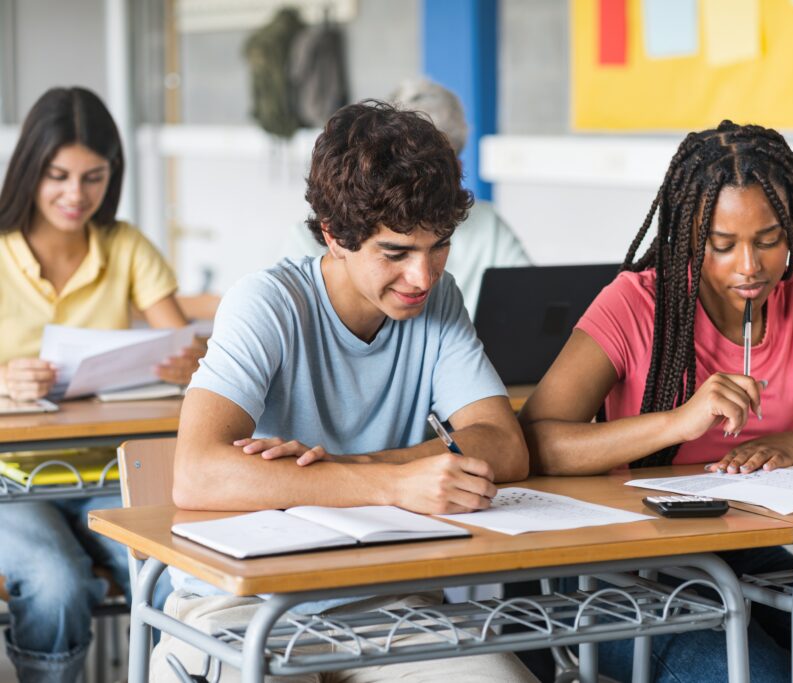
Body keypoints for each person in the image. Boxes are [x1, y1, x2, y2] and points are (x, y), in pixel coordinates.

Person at [519, 121, 793, 682]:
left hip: (746, 550)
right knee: (752, 675)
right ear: (687, 236)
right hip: (620, 560)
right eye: (722, 245)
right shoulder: (634, 304)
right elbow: (533, 445)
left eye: (769, 239)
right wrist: (677, 423)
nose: (750, 266)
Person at [156, 101, 536, 682]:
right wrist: (391, 485)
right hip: (243, 602)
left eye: (439, 246)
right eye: (396, 252)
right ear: (334, 235)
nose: (423, 277)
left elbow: (503, 445)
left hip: (388, 600)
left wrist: (352, 466)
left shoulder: (441, 300)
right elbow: (198, 472)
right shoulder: (268, 303)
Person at [0, 87, 197, 682]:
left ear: (113, 177)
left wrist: (192, 362)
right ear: (30, 168)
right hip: (8, 480)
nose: (74, 195)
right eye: (58, 175)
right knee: (56, 583)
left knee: (175, 577)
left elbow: (185, 346)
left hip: (107, 474)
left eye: (93, 177)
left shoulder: (126, 244)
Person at [285, 77, 530, 318]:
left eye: (438, 166)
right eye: (395, 253)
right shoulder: (290, 280)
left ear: (457, 166)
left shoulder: (446, 295)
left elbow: (535, 295)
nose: (423, 281)